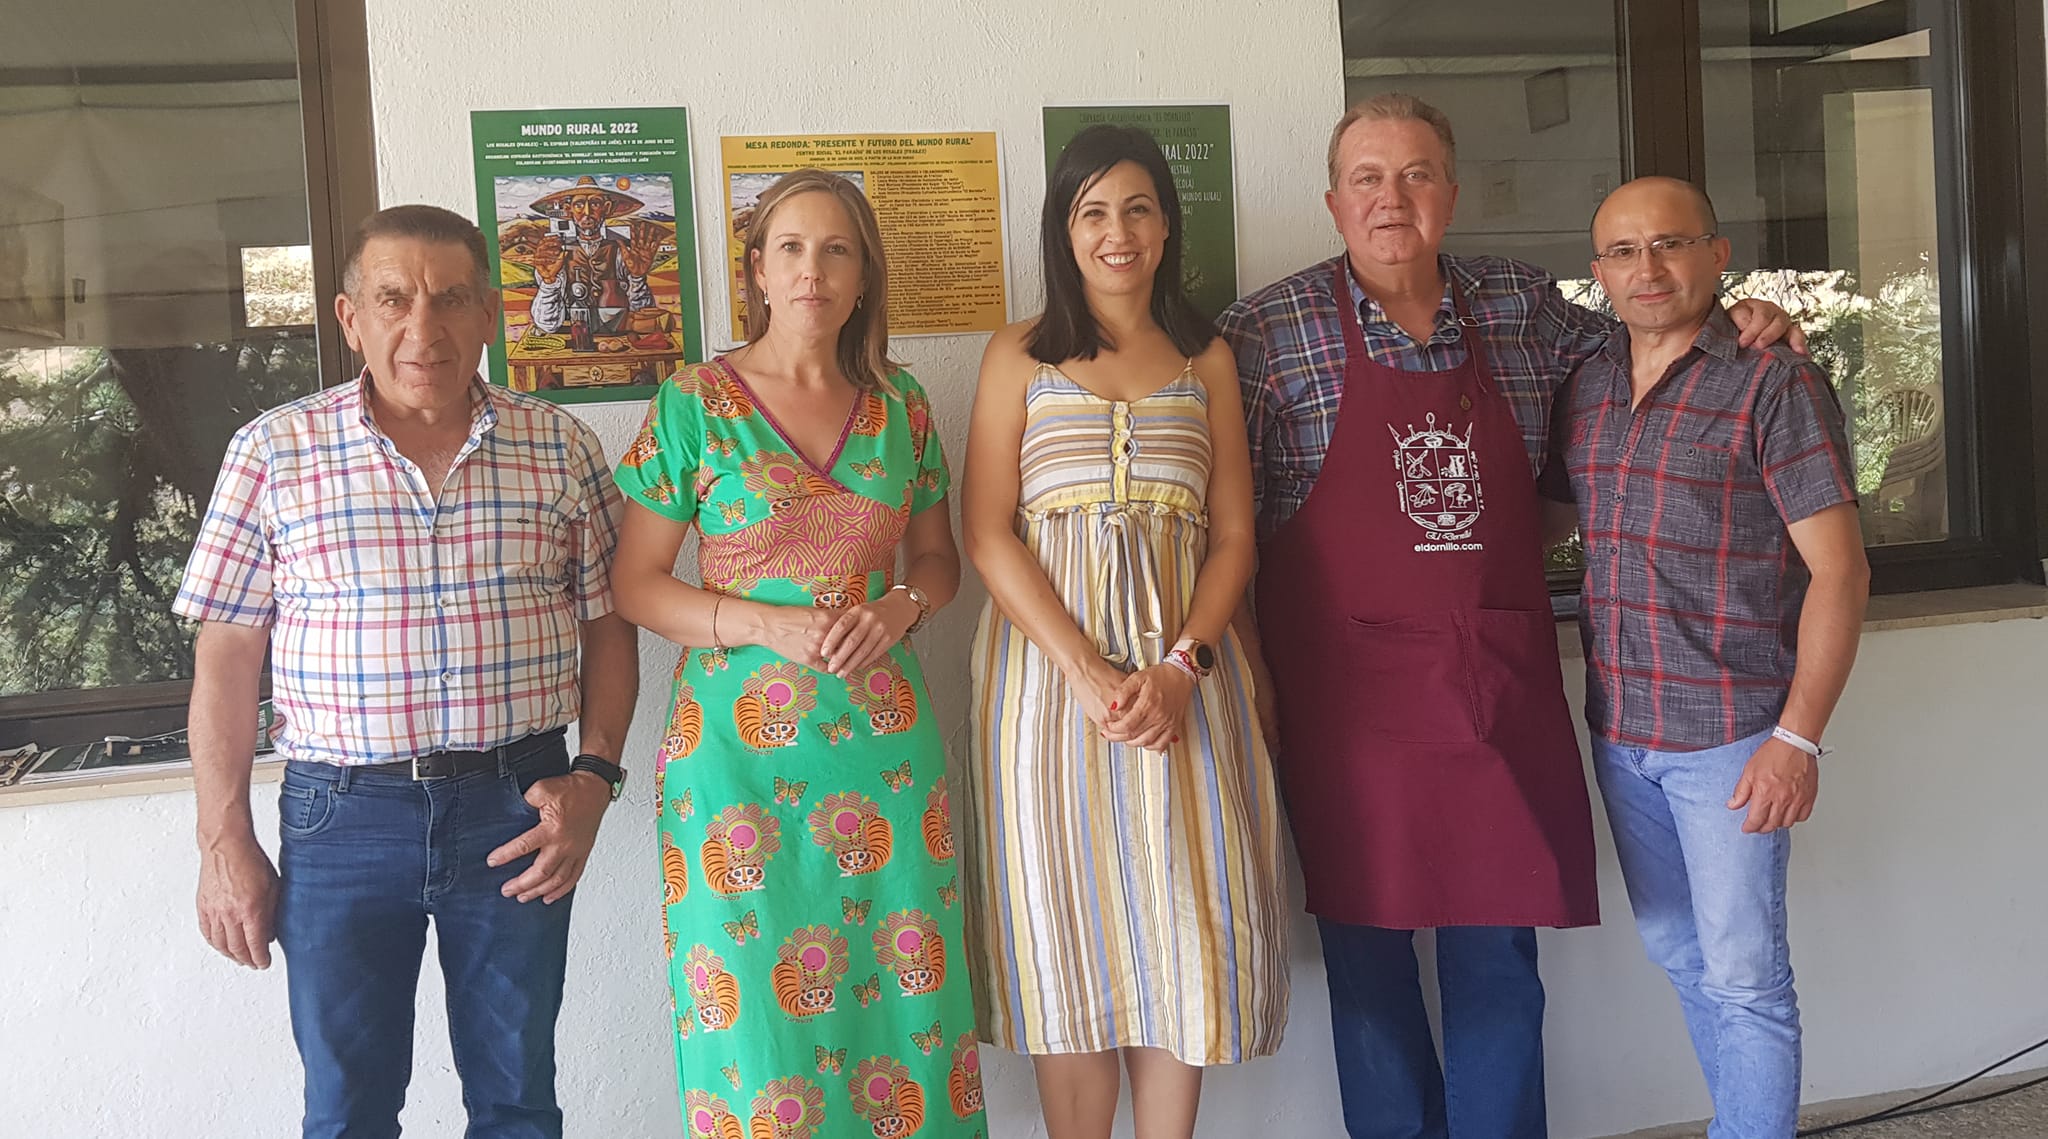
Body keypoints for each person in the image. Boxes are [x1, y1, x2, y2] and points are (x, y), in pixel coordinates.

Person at [1216, 94, 1802, 1139]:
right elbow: (1223, 531)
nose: (1390, 199)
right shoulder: (1262, 333)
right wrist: (1248, 675)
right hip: (1344, 700)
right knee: (1365, 958)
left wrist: (1740, 318)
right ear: (1332, 200)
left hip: (1493, 679)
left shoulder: (1524, 307)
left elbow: (1653, 332)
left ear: (1451, 191)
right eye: (1366, 179)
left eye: (1414, 175)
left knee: (1496, 957)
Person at [175, 203, 638, 1139]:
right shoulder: (274, 451)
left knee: (517, 1099)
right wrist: (222, 838)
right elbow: (226, 656)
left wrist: (594, 774)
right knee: (347, 1108)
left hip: (518, 808)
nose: (421, 328)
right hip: (341, 817)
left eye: (449, 299)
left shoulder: (561, 447)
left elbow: (612, 625)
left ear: (490, 316)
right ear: (350, 318)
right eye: (393, 298)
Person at [609, 169, 987, 1138]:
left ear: (863, 277)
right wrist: (758, 620)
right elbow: (637, 582)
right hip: (733, 764)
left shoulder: (902, 404)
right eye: (790, 247)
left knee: (902, 1011)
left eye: (836, 249)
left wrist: (901, 605)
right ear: (757, 271)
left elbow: (938, 559)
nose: (811, 269)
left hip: (884, 752)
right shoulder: (696, 399)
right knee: (755, 1019)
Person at [960, 123, 1291, 1139]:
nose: (1116, 231)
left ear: (1166, 225)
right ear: (1063, 229)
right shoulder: (1017, 353)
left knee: (1178, 929)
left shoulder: (1207, 357)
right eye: (1092, 211)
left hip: (1184, 683)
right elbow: (982, 529)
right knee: (1067, 938)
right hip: (1043, 692)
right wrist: (1090, 670)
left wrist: (1180, 666)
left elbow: (1233, 535)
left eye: (1137, 208)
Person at [1543, 177, 1868, 1138]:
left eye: (1672, 244)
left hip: (1732, 739)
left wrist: (1798, 739)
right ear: (1598, 271)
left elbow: (1839, 575)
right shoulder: (1592, 379)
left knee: (1747, 976)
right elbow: (1554, 518)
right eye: (1624, 252)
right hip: (1622, 732)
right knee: (1679, 949)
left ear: (1718, 257)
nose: (1649, 269)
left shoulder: (1776, 383)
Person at [525, 175, 665, 341]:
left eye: (595, 204)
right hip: (573, 340)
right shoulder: (556, 256)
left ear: (606, 208)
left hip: (618, 340)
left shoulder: (622, 253)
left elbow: (644, 316)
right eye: (579, 204)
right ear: (569, 209)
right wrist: (549, 283)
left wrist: (637, 278)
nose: (587, 212)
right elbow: (546, 324)